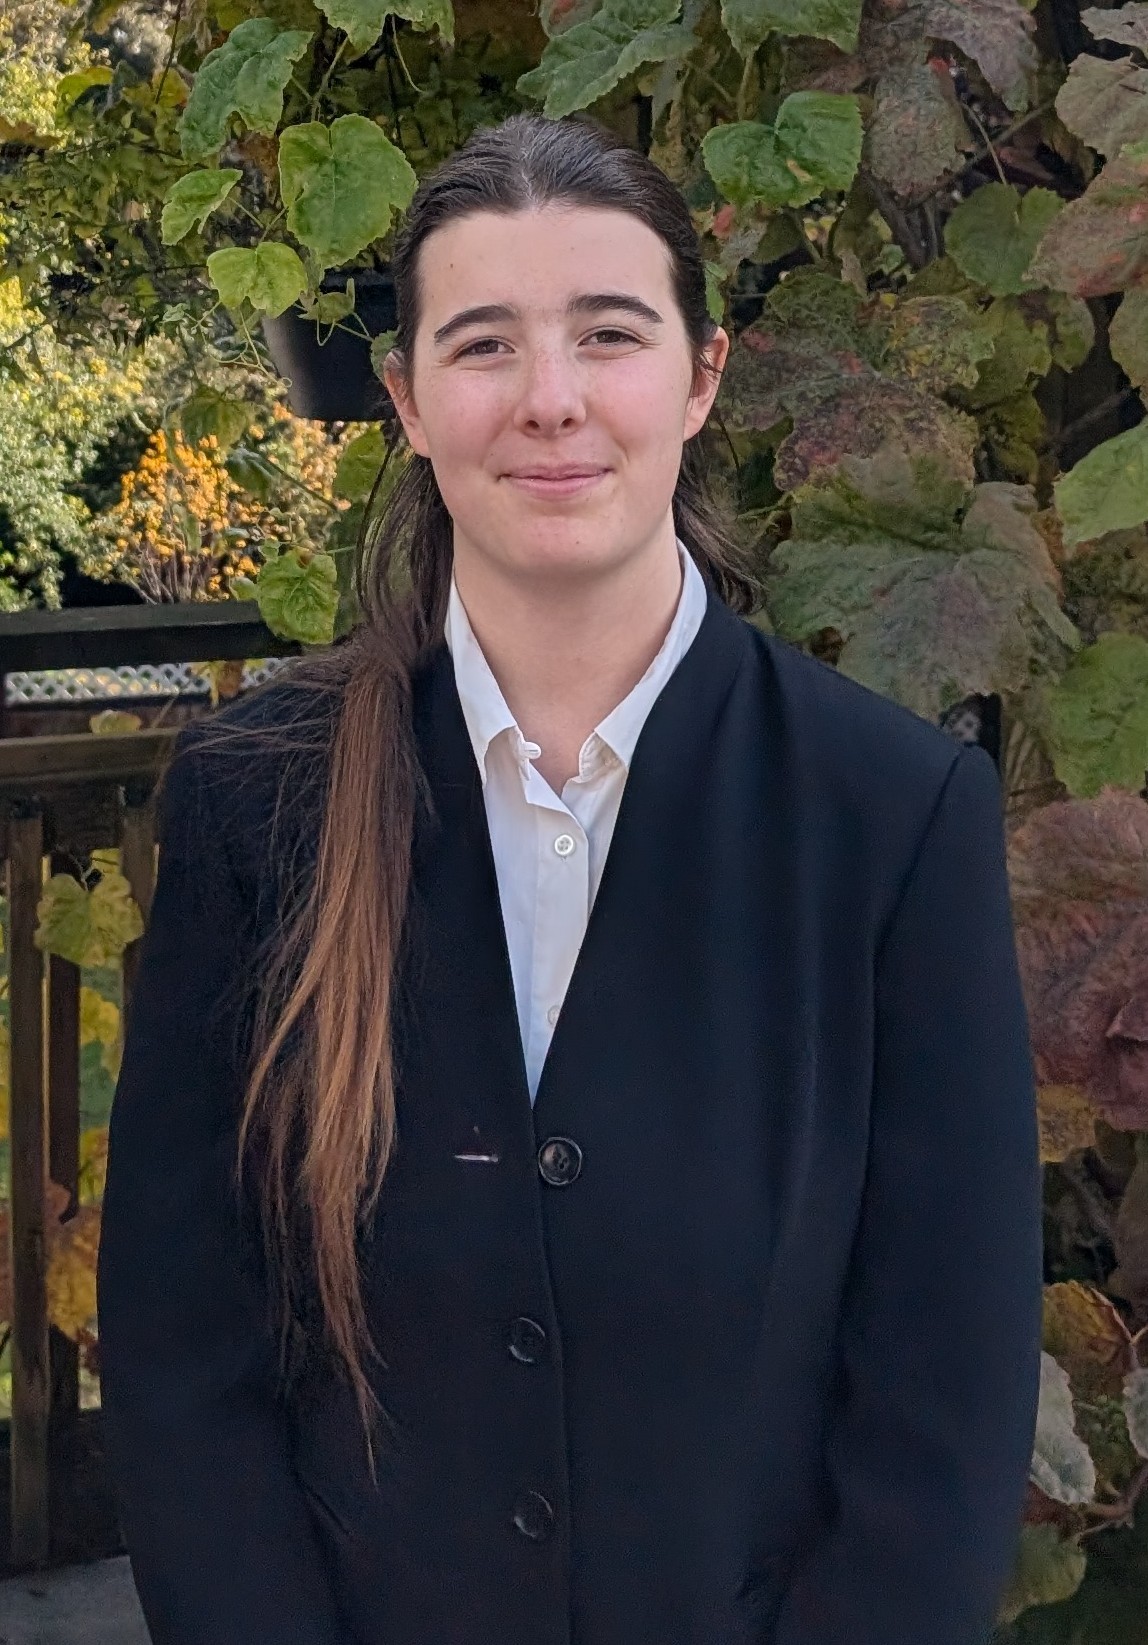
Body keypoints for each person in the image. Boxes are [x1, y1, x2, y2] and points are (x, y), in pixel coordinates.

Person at [96, 110, 1043, 1645]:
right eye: (484, 344)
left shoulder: (894, 817)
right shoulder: (255, 803)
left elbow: (947, 1395)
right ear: (407, 401)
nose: (551, 399)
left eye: (609, 333)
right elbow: (182, 1355)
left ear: (701, 375)